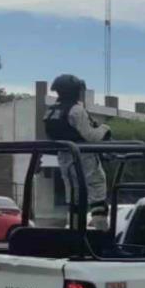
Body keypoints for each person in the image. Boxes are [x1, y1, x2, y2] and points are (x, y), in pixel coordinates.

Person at [43, 74, 111, 230]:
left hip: (65, 158)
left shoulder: (50, 111)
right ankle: (103, 238)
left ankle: (74, 237)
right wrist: (105, 128)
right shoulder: (76, 110)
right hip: (84, 157)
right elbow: (92, 137)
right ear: (74, 91)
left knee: (74, 198)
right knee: (97, 194)